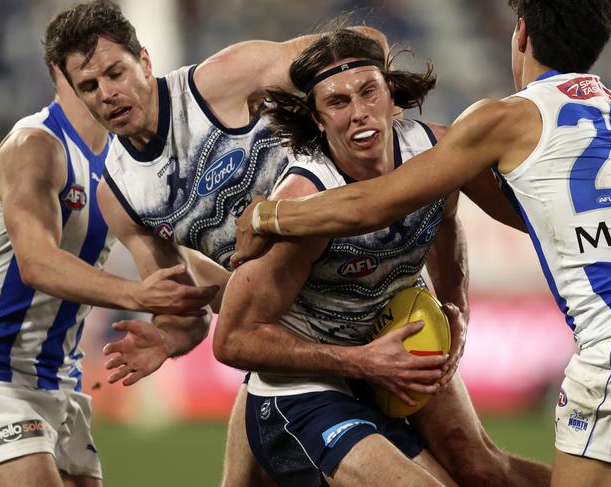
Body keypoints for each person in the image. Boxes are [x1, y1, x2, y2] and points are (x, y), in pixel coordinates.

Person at [234, 1, 611, 486]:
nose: (360, 113)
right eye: (339, 102)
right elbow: (233, 337)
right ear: (318, 120)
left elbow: (379, 206)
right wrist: (362, 359)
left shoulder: (484, 128)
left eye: (369, 92)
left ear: (522, 35)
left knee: (483, 468)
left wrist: (267, 214)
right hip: (311, 381)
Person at [43, 2, 420, 486]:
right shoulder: (118, 195)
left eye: (116, 72)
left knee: (471, 463)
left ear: (145, 59)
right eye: (89, 87)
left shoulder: (219, 82)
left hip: (371, 285)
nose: (108, 93)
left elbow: (369, 42)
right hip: (295, 337)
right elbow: (187, 310)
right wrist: (166, 338)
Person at [0, 63, 217, 487]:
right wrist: (139, 295)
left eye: (113, 72)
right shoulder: (34, 145)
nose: (106, 90)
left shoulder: (124, 164)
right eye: (89, 78)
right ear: (60, 72)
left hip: (62, 380)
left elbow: (185, 266)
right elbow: (36, 263)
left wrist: (264, 300)